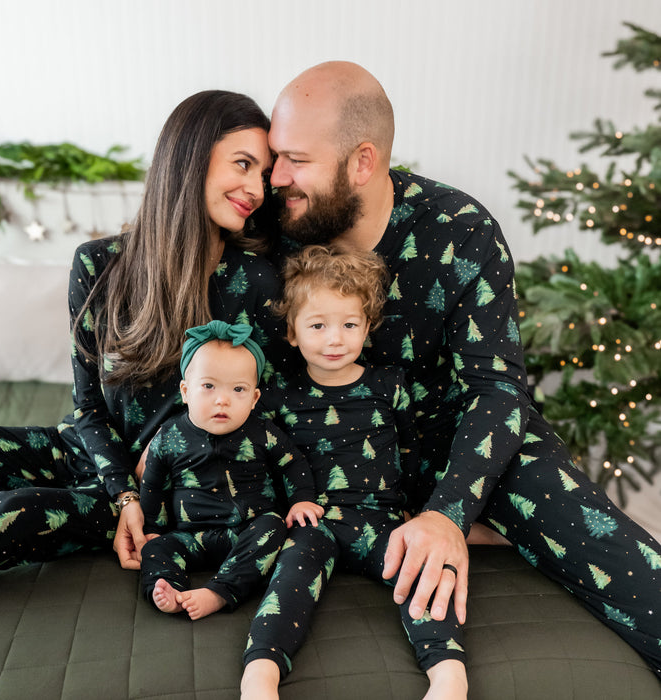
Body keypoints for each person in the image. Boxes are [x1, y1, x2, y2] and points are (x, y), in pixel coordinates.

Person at [244, 60, 661, 693]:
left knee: (634, 573)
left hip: (457, 445)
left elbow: (497, 389)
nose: (276, 178)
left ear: (362, 161)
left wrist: (447, 515)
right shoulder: (266, 237)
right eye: (275, 157)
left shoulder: (461, 231)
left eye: (295, 160)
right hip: (323, 456)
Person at [0, 90, 291, 585]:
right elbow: (87, 407)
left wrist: (139, 496)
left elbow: (262, 406)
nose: (257, 189)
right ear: (190, 157)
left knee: (8, 514)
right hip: (92, 458)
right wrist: (122, 490)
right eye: (243, 164)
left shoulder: (256, 281)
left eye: (263, 175)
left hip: (173, 486)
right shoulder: (96, 265)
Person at [241, 245, 468, 700]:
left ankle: (447, 674)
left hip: (383, 521)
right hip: (314, 522)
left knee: (425, 570)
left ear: (367, 328)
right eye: (318, 326)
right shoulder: (278, 396)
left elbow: (411, 451)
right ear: (292, 332)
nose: (334, 339)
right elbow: (254, 457)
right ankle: (261, 674)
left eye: (349, 325)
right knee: (289, 577)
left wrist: (419, 513)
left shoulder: (389, 385)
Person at [139, 320, 323, 620]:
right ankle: (169, 588)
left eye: (238, 389)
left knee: (273, 526)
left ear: (254, 399)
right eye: (208, 386)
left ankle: (220, 592)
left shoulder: (263, 432)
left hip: (245, 532)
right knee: (154, 548)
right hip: (191, 536)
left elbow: (294, 463)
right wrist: (153, 528)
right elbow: (153, 483)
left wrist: (301, 499)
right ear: (186, 391)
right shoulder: (169, 435)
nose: (222, 399)